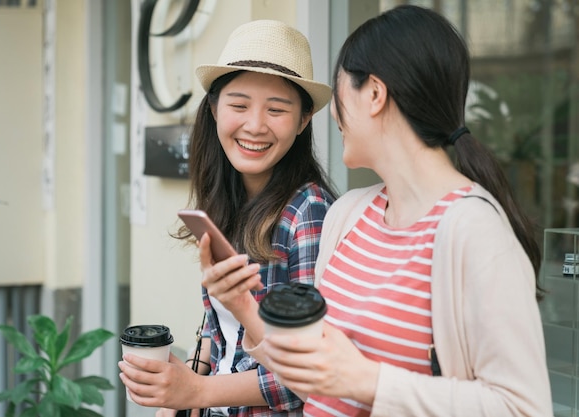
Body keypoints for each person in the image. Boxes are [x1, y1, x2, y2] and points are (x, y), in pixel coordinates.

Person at [217, 5, 554, 417]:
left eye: (340, 92)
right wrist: (241, 305)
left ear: (374, 94)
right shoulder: (347, 216)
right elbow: (312, 376)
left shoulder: (474, 230)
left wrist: (366, 381)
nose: (335, 115)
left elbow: (522, 408)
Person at [118, 19, 336, 416]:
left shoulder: (308, 212)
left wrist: (196, 391)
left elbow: (306, 379)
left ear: (304, 120)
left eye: (277, 109)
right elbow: (217, 329)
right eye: (239, 105)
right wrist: (176, 394)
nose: (255, 125)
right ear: (215, 109)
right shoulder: (227, 198)